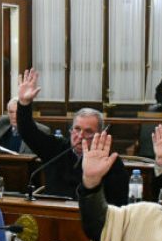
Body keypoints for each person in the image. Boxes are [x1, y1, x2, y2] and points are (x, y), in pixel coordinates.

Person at [16, 69, 129, 204]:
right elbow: (27, 131)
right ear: (70, 130)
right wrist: (23, 103)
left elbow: (119, 204)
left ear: (99, 135)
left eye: (88, 131)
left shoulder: (110, 162)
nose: (80, 136)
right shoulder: (56, 148)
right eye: (77, 129)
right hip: (54, 215)